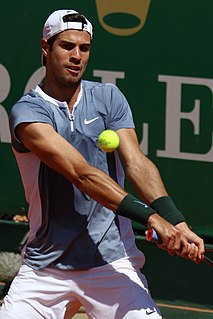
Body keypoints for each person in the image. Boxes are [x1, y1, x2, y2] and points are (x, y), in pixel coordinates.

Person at [0, 9, 204, 319]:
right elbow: (81, 174)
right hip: (45, 270)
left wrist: (176, 221)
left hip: (112, 262)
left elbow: (136, 163)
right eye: (67, 46)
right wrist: (151, 219)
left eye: (84, 48)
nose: (76, 56)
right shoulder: (27, 113)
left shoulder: (109, 97)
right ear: (46, 48)